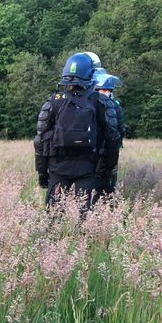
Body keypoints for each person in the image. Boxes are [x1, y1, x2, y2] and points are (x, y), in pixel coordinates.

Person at [34, 52, 122, 211]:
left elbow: (40, 140)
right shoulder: (102, 102)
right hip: (89, 168)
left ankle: (56, 237)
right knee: (86, 219)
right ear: (91, 75)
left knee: (53, 219)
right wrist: (107, 172)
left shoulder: (53, 102)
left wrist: (42, 172)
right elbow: (113, 140)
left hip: (58, 168)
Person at [92, 68, 126, 193]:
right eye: (102, 90)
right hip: (93, 152)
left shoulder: (115, 106)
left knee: (109, 183)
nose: (105, 92)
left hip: (109, 151)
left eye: (107, 90)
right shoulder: (88, 105)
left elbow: (119, 130)